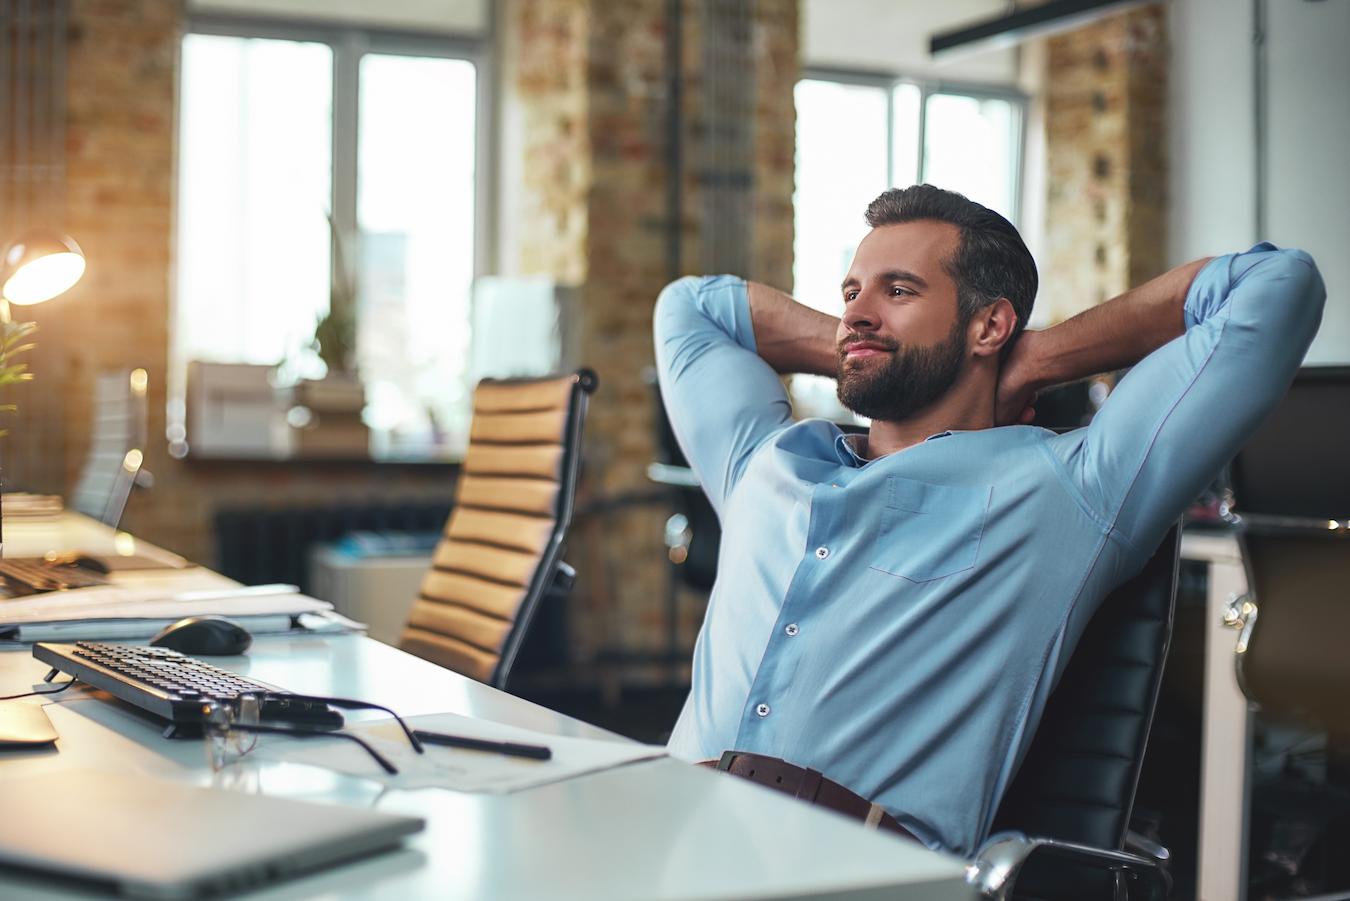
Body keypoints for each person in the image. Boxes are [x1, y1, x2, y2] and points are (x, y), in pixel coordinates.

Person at [652, 184, 1325, 855]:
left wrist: (1041, 355)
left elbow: (1278, 288)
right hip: (673, 825)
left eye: (899, 290)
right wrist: (862, 343)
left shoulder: (1070, 486)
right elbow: (688, 308)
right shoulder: (762, 464)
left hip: (846, 862)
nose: (856, 312)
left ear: (989, 325)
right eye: (851, 291)